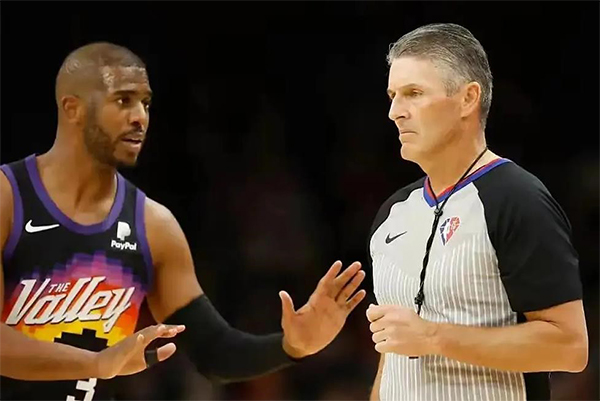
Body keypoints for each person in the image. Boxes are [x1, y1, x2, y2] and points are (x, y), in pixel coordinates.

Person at [0, 42, 367, 400]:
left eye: (145, 103)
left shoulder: (152, 225)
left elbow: (215, 353)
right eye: (123, 100)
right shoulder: (8, 198)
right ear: (73, 109)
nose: (140, 117)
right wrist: (97, 363)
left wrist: (291, 346)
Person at [366, 23, 588, 401]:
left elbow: (570, 346)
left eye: (413, 93)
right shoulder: (393, 213)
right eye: (392, 96)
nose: (394, 112)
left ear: (469, 98)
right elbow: (392, 357)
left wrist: (434, 337)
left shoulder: (518, 200)